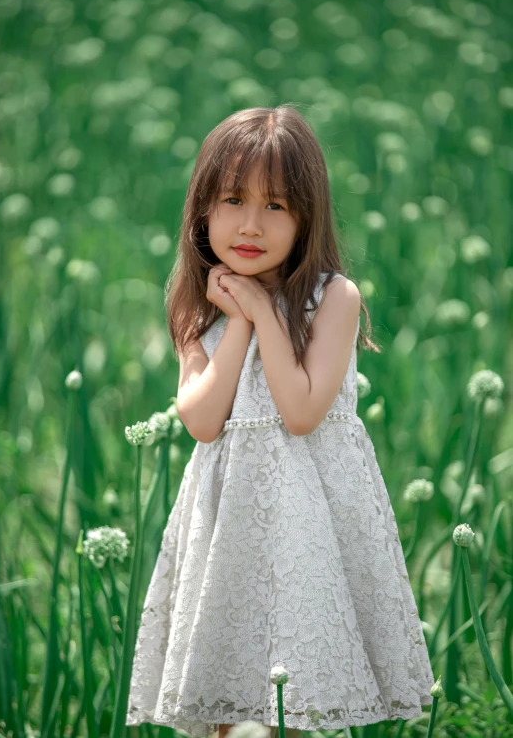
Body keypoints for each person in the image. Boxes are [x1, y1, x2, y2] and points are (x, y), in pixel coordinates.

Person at [125, 105, 435, 738]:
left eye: (276, 206)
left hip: (309, 523)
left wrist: (265, 311)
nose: (250, 224)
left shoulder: (334, 298)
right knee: (227, 699)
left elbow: (299, 413)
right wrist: (236, 319)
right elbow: (204, 420)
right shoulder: (195, 307)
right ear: (203, 210)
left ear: (306, 217)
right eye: (233, 199)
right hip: (226, 519)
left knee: (298, 696)